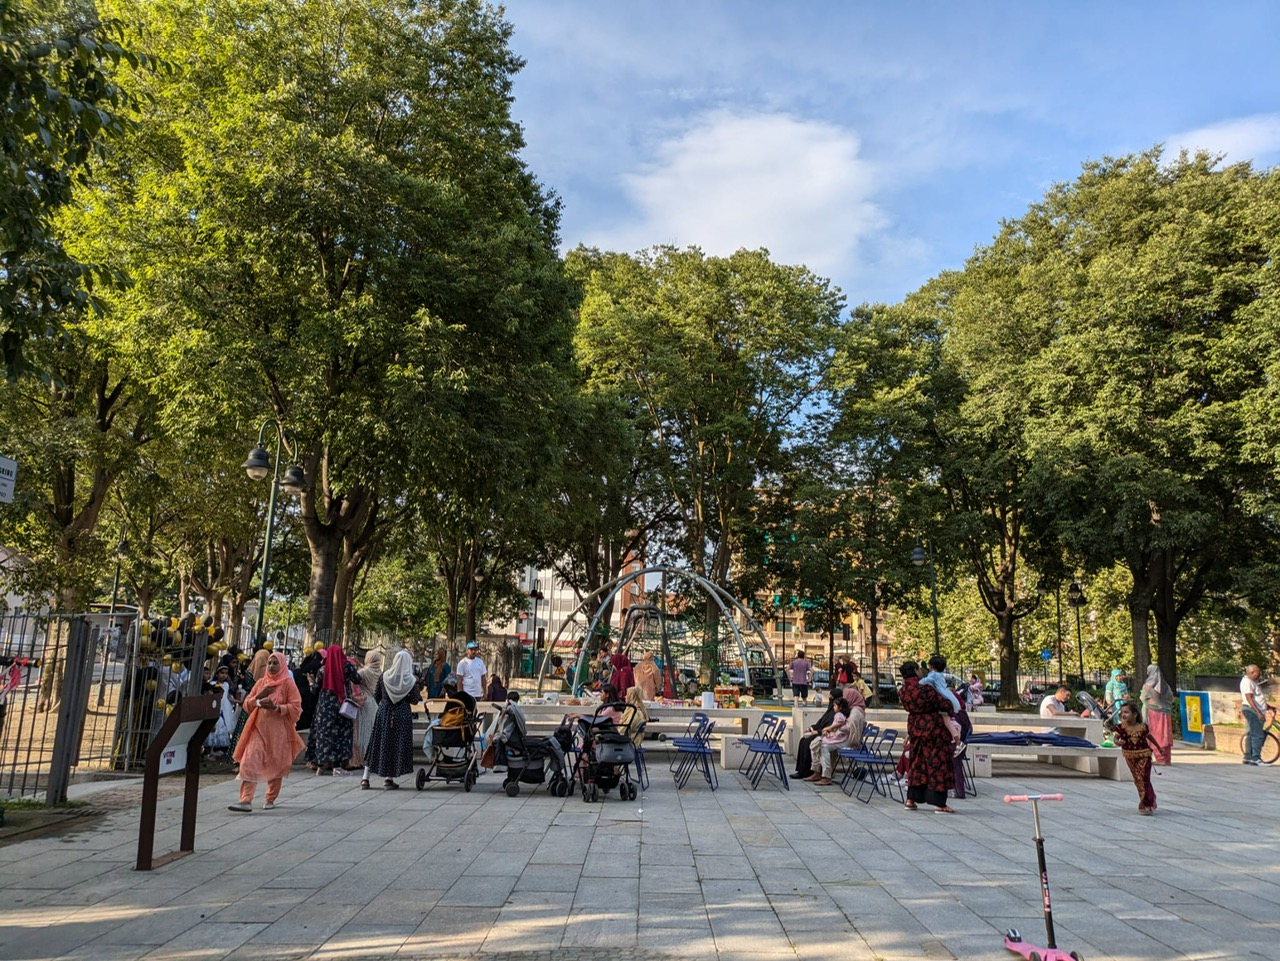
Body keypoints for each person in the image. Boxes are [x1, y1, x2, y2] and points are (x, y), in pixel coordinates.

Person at [229, 651, 305, 812]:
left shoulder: (287, 684)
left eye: (275, 663)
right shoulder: (261, 683)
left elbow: (296, 707)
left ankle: (270, 797)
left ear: (282, 665)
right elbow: (246, 705)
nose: (271, 666)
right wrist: (259, 698)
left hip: (279, 732)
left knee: (276, 764)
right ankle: (245, 800)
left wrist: (277, 708)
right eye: (269, 663)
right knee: (249, 761)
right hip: (258, 728)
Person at [898, 661, 956, 813]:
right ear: (916, 671)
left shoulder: (903, 691)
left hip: (914, 726)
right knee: (937, 762)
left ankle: (911, 798)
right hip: (932, 728)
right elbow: (944, 703)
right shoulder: (925, 688)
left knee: (917, 762)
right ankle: (939, 803)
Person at [360, 650, 422, 790]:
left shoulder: (384, 677)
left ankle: (365, 778)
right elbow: (414, 700)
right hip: (402, 715)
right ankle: (389, 779)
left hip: (384, 713)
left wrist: (385, 705)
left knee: (377, 744)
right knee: (395, 746)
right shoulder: (411, 681)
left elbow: (377, 696)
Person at [307, 643, 359, 775]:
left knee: (323, 734)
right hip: (341, 705)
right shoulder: (346, 666)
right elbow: (358, 679)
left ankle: (321, 765)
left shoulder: (323, 670)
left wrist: (310, 682)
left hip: (324, 707)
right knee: (341, 734)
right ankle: (338, 766)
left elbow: (315, 690)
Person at [1113, 701, 1157, 814]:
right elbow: (1115, 739)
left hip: (1144, 755)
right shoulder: (1120, 727)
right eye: (1122, 712)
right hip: (1130, 756)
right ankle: (1149, 799)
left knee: (1144, 777)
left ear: (1135, 714)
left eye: (1127, 712)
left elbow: (1149, 737)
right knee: (1138, 779)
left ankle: (1146, 803)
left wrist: (1159, 748)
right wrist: (1119, 742)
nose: (1123, 715)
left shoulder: (1143, 727)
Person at [921, 655, 963, 753]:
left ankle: (958, 741)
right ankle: (957, 741)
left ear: (931, 666)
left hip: (945, 700)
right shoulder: (940, 675)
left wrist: (917, 683)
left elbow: (923, 682)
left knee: (947, 721)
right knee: (946, 721)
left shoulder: (933, 675)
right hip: (949, 698)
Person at [805, 695, 851, 786]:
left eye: (835, 706)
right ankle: (817, 771)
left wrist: (828, 728)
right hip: (835, 738)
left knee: (823, 747)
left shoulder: (839, 715)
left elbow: (839, 723)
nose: (833, 707)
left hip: (840, 740)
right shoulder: (839, 714)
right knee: (816, 745)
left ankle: (826, 776)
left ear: (840, 707)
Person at [352, 649, 384, 765]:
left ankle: (362, 757)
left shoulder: (364, 672)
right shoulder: (380, 672)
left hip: (363, 703)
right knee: (371, 732)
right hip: (374, 704)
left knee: (362, 732)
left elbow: (354, 679)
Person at [1240, 663, 1274, 766]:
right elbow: (1249, 698)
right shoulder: (1247, 682)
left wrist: (1267, 706)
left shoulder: (1252, 682)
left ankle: (1248, 757)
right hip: (1252, 710)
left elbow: (1256, 698)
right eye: (1258, 672)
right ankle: (1256, 759)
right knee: (1257, 735)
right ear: (1251, 672)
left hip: (1252, 709)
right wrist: (1258, 711)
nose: (1259, 674)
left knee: (1251, 734)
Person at [1140, 664, 1173, 765]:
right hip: (1165, 713)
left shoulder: (1148, 685)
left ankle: (1159, 758)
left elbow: (1143, 698)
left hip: (1153, 713)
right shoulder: (1165, 686)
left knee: (1155, 734)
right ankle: (1166, 759)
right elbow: (1170, 698)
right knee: (1165, 735)